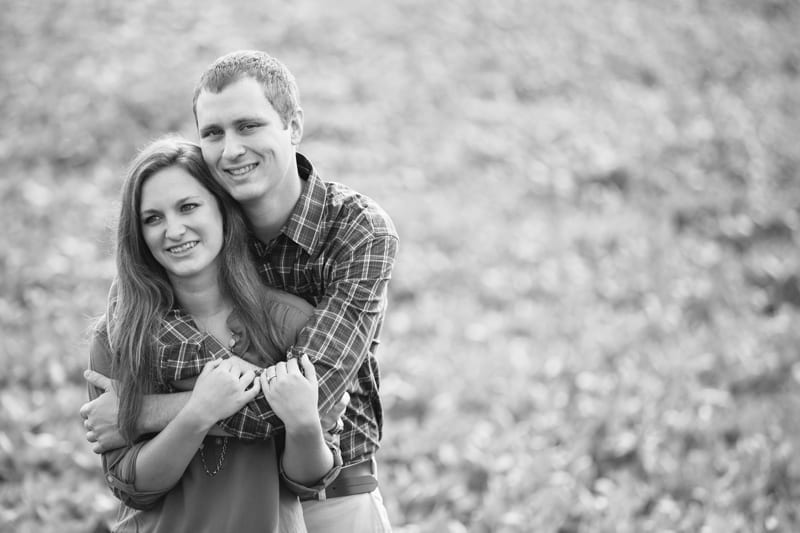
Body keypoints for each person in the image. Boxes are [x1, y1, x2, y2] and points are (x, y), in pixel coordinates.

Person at [82, 50, 399, 532]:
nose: (230, 150)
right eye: (212, 133)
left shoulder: (357, 231)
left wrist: (141, 410)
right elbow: (130, 306)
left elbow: (309, 400)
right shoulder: (194, 224)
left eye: (248, 126)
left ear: (292, 126)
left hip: (335, 487)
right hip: (208, 499)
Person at [86, 136, 343, 533]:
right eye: (152, 218)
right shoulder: (120, 334)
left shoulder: (290, 322)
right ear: (137, 233)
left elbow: (309, 481)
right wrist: (199, 411)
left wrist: (304, 423)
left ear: (223, 210)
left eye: (188, 206)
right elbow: (131, 485)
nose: (173, 230)